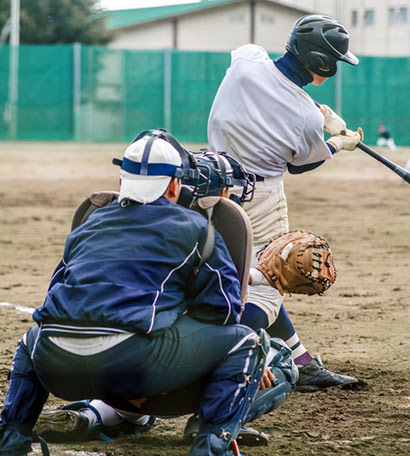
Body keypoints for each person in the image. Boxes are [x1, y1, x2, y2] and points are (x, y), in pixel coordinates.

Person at [0, 130, 296, 456]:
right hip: (134, 365)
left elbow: (54, 298)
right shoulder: (196, 228)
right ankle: (211, 447)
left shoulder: (90, 222)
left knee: (31, 339)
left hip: (55, 365)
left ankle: (13, 438)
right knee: (249, 342)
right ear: (172, 185)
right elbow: (222, 313)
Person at [207, 15, 362, 394]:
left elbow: (271, 86)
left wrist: (314, 109)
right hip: (260, 198)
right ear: (322, 64)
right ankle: (224, 356)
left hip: (210, 187)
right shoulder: (305, 115)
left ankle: (300, 361)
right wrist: (339, 142)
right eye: (335, 61)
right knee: (271, 281)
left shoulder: (247, 60)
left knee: (219, 273)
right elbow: (301, 163)